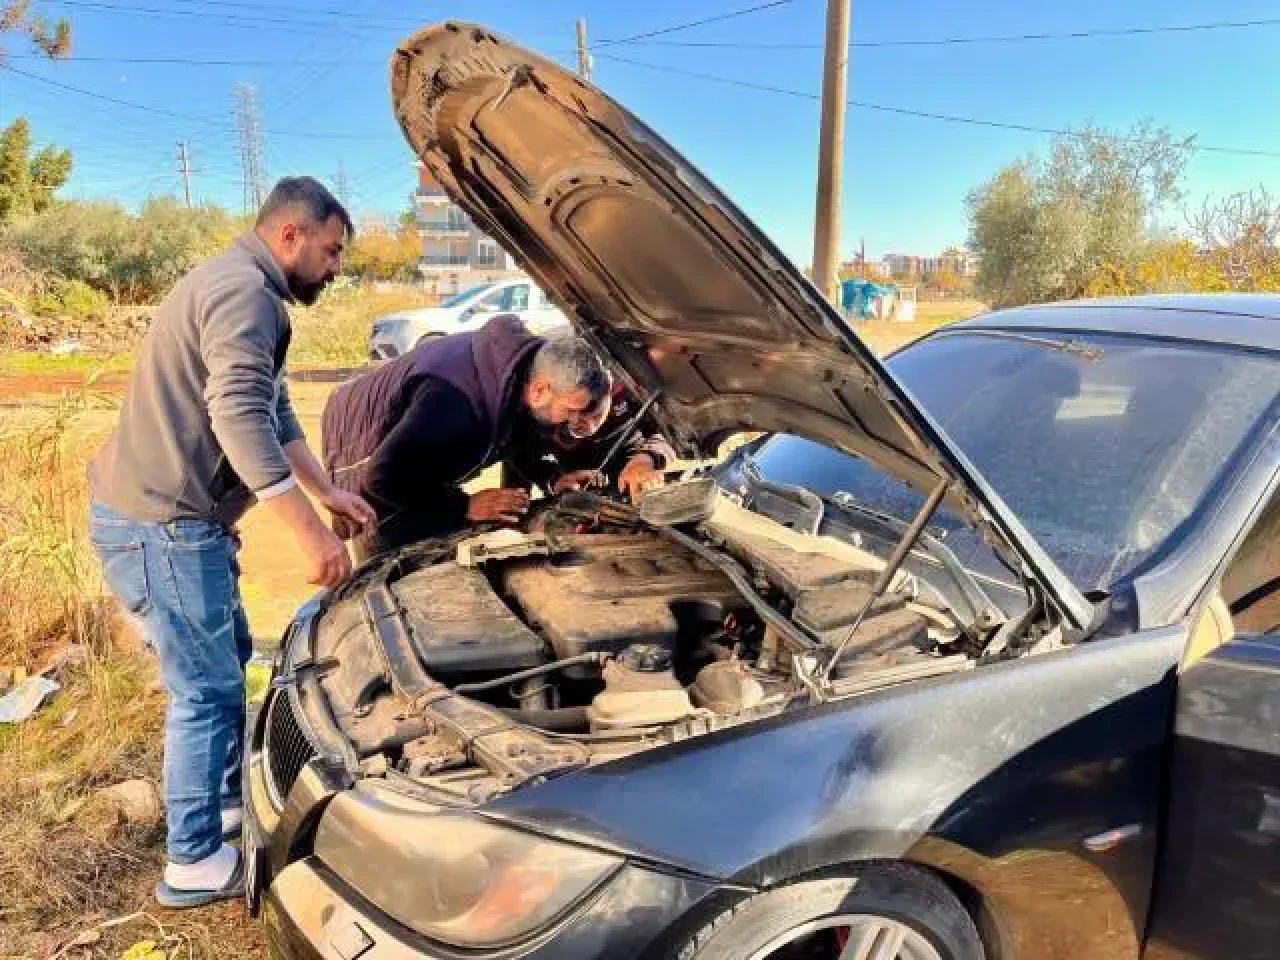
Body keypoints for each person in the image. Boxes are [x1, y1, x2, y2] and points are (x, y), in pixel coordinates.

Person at [88, 177, 376, 908]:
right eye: (332, 250)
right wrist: (311, 536)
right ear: (291, 235)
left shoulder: (245, 288)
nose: (336, 266)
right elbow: (239, 417)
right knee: (205, 689)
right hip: (162, 524)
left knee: (227, 665)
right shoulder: (244, 294)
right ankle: (190, 861)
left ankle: (216, 817)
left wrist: (326, 490)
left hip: (182, 522)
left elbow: (275, 410)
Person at [321, 314, 610, 559]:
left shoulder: (520, 372)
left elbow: (519, 437)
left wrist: (552, 478)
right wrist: (464, 507)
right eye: (571, 410)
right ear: (539, 391)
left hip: (413, 450)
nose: (575, 421)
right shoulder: (452, 399)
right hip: (363, 445)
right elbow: (383, 478)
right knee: (391, 555)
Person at [502, 377, 675, 499]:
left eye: (597, 415)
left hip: (635, 477)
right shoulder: (540, 409)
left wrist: (647, 458)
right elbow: (519, 458)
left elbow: (672, 433)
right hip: (576, 491)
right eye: (577, 422)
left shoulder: (631, 385)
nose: (591, 428)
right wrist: (553, 480)